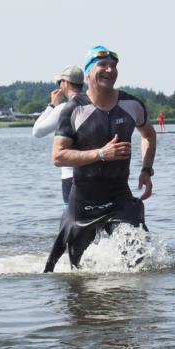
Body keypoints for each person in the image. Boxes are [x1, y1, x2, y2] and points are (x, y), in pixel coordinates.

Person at [44, 46, 157, 272]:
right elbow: (58, 156)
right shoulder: (73, 110)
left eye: (113, 66)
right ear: (87, 73)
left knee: (139, 261)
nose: (110, 70)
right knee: (75, 272)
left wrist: (146, 169)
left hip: (119, 196)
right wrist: (101, 154)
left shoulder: (131, 104)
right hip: (84, 200)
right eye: (102, 65)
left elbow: (148, 134)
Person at [32, 65, 85, 204]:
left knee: (73, 220)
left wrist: (52, 105)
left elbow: (37, 131)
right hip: (94, 173)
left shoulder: (64, 108)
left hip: (71, 176)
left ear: (66, 83)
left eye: (59, 82)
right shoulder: (92, 104)